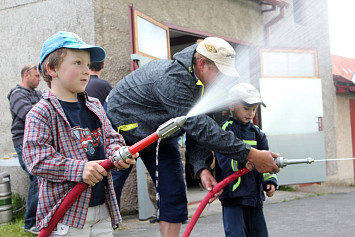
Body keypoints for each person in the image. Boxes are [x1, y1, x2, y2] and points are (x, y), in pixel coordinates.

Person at [107, 37, 280, 237]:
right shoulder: (171, 79)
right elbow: (198, 126)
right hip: (120, 130)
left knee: (173, 196)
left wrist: (202, 168)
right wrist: (251, 154)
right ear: (202, 64)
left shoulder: (206, 85)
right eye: (221, 72)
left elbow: (200, 126)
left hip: (160, 137)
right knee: (108, 192)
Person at [22, 31, 138, 237]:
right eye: (77, 63)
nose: (87, 70)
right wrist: (80, 169)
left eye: (87, 64)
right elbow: (37, 159)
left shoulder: (94, 106)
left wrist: (118, 152)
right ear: (52, 69)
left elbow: (110, 138)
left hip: (103, 210)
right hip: (66, 216)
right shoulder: (41, 112)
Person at [215, 83, 278, 237]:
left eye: (254, 109)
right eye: (246, 108)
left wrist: (270, 181)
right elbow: (224, 162)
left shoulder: (258, 134)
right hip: (233, 198)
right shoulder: (225, 131)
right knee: (236, 234)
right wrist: (246, 163)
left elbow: (267, 163)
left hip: (254, 198)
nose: (251, 113)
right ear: (232, 105)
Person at [7, 64, 41, 235]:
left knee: (41, 178)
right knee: (36, 177)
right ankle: (30, 222)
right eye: (36, 76)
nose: (39, 79)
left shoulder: (37, 94)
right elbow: (30, 115)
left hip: (37, 141)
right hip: (23, 142)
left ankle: (40, 219)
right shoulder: (17, 94)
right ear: (26, 75)